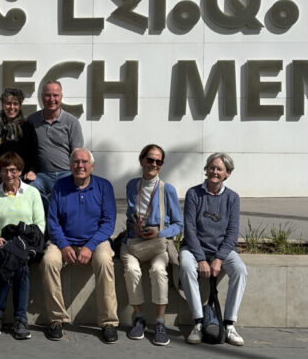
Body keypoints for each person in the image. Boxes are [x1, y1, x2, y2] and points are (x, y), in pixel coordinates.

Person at [41, 147, 118, 343]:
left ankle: (108, 322)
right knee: (49, 261)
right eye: (76, 162)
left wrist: (89, 247)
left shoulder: (104, 186)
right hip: (64, 241)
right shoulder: (60, 186)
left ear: (92, 166)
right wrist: (64, 245)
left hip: (96, 242)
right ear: (70, 165)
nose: (80, 166)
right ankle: (57, 319)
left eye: (84, 162)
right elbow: (53, 221)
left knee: (104, 261)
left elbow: (108, 222)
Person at [180, 153, 247, 347]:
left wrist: (218, 259)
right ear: (206, 169)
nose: (214, 172)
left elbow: (232, 233)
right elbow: (190, 229)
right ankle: (199, 323)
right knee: (185, 265)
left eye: (219, 169)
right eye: (211, 167)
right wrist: (201, 259)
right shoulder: (194, 194)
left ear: (227, 174)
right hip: (194, 248)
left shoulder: (232, 198)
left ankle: (229, 324)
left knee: (241, 270)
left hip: (221, 250)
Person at [121, 144, 183, 346]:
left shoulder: (167, 189)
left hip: (157, 243)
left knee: (158, 271)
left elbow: (179, 224)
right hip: (134, 242)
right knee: (131, 270)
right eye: (150, 159)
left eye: (158, 161)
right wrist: (134, 227)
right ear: (141, 161)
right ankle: (138, 317)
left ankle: (159, 322)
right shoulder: (132, 186)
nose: (154, 164)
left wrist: (160, 232)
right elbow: (131, 216)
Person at [0, 152, 45, 340]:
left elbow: (40, 224)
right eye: (4, 170)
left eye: (13, 170)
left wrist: (24, 242)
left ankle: (13, 318)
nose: (9, 174)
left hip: (26, 245)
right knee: (7, 260)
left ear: (20, 171)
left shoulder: (32, 193)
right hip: (2, 244)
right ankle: (1, 317)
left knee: (20, 266)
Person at [26, 80, 84, 210]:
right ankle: (47, 219)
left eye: (55, 95)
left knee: (64, 196)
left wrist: (76, 174)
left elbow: (77, 153)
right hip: (41, 174)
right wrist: (30, 170)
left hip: (66, 173)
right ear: (41, 97)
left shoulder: (72, 122)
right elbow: (27, 151)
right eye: (47, 95)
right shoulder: (32, 120)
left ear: (61, 97)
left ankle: (52, 221)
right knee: (30, 189)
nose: (51, 99)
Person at [0, 88, 38, 186]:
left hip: (21, 175)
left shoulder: (27, 127)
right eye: (8, 103)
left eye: (15, 104)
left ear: (20, 106)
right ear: (2, 105)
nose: (11, 107)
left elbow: (34, 154)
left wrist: (32, 171)